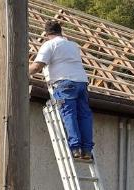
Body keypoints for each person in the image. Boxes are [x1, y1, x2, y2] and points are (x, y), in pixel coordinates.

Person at [29, 20, 95, 160]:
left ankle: (76, 148)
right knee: (84, 115)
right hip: (82, 82)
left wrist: (18, 72)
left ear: (47, 34)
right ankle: (87, 150)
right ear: (60, 31)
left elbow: (36, 67)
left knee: (69, 114)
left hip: (65, 83)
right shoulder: (73, 45)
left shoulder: (49, 44)